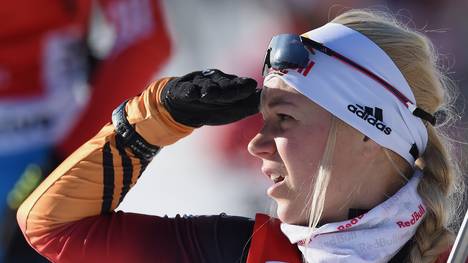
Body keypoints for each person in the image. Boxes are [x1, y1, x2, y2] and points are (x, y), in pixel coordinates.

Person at [16, 9, 466, 263]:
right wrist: (155, 117)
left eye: (284, 119)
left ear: (368, 131)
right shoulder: (240, 252)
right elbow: (53, 229)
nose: (256, 143)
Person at [1, 0, 171, 261]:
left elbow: (144, 38)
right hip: (54, 151)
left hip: (47, 149)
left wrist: (63, 159)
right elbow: (144, 37)